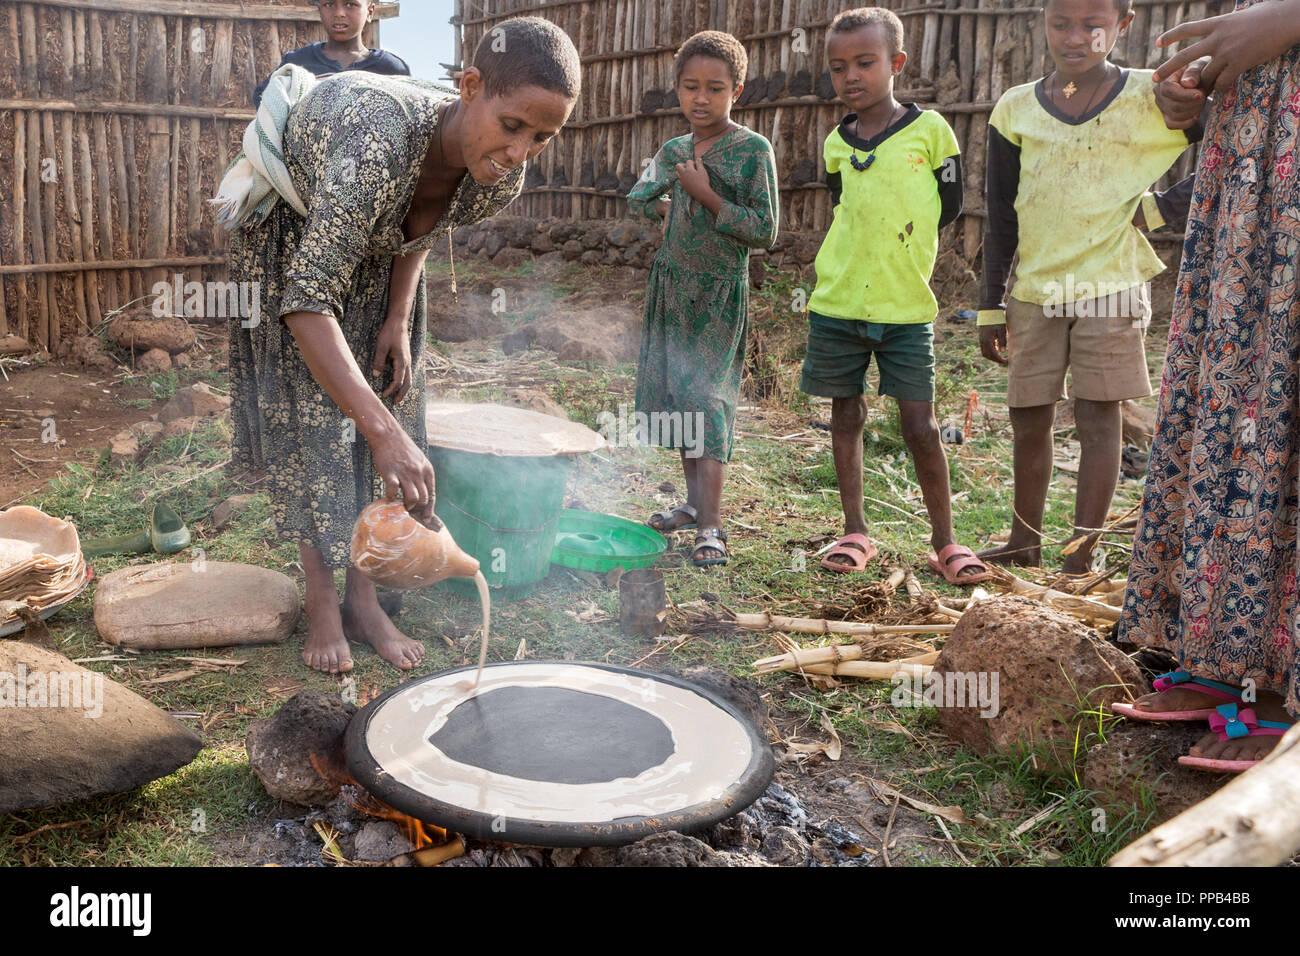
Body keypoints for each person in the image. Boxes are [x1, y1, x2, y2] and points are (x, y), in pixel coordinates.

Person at [223, 17, 580, 673]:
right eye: (512, 126)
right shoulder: (377, 145)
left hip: (378, 248)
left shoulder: (501, 176)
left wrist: (396, 313)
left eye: (543, 136)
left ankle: (365, 599)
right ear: (471, 87)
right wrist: (384, 432)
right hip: (300, 242)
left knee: (391, 402)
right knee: (320, 426)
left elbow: (424, 220)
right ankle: (324, 600)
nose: (521, 150)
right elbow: (306, 301)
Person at [1114, 0, 1300, 772]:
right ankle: (1231, 662)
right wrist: (1195, 97)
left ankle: (1286, 693)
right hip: (1253, 180)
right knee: (1242, 395)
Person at [975, 0, 1199, 575]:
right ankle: (1023, 540)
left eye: (1093, 24)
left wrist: (1155, 211)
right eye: (1060, 23)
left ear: (1122, 26)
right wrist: (989, 305)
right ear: (1041, 23)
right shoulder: (1016, 108)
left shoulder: (1158, 92)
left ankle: (1079, 558)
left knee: (1100, 416)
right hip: (1035, 290)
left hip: (1113, 284)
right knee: (1030, 416)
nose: (1076, 37)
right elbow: (1001, 212)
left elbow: (1236, 149)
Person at [798, 9, 981, 583]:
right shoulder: (836, 143)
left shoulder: (932, 134)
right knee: (845, 414)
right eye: (838, 67)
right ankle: (855, 530)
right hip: (839, 303)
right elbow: (841, 206)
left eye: (865, 63)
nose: (850, 76)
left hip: (906, 307)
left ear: (896, 64)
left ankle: (946, 542)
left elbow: (947, 208)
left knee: (920, 427)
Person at [629, 30, 779, 567]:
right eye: (690, 86)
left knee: (708, 402)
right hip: (671, 287)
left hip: (717, 294)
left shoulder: (752, 152)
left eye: (715, 88)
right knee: (679, 398)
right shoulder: (673, 150)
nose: (701, 98)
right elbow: (637, 198)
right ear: (676, 89)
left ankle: (711, 526)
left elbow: (765, 230)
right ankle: (693, 507)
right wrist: (666, 208)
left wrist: (706, 197)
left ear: (736, 92)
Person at [253, 0, 409, 107]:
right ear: (319, 10)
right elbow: (265, 102)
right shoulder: (297, 63)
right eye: (329, 4)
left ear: (369, 12)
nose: (339, 13)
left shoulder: (391, 69)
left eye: (350, 4)